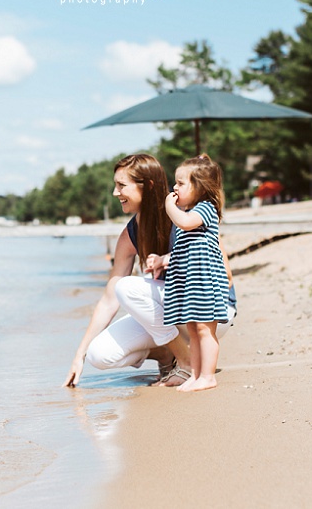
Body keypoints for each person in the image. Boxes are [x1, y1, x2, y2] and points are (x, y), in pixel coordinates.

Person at [63, 153, 236, 389]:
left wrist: (174, 270)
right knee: (99, 355)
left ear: (149, 186)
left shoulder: (188, 216)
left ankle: (186, 363)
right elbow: (108, 300)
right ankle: (168, 354)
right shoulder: (131, 234)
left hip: (210, 306)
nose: (116, 193)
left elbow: (225, 276)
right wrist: (78, 355)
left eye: (121, 185)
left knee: (128, 287)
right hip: (173, 307)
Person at [160, 154, 229, 392]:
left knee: (204, 329)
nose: (174, 188)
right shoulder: (188, 212)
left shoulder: (205, 209)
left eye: (180, 183)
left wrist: (170, 206)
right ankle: (197, 374)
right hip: (190, 282)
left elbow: (187, 223)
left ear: (199, 187)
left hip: (205, 281)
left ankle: (208, 376)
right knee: (192, 328)